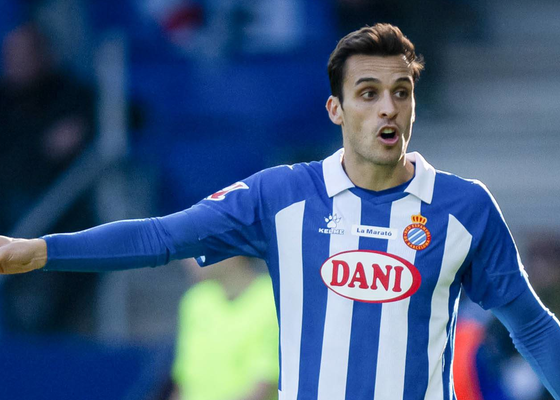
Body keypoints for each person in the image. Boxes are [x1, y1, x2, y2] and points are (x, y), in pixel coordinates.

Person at [0, 23, 559, 399]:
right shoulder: (282, 195)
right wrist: (38, 251)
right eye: (368, 93)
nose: (388, 108)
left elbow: (531, 325)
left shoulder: (464, 208)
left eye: (401, 92)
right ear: (336, 109)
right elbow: (160, 238)